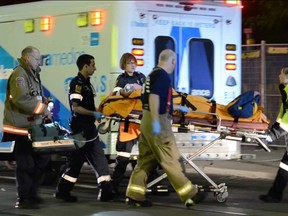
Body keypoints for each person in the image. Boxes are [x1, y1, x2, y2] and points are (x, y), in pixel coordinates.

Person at [125, 49, 205, 207]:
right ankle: (190, 195)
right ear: (173, 61)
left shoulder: (152, 75)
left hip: (146, 120)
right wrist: (156, 121)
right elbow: (154, 98)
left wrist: (176, 107)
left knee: (145, 160)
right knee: (170, 159)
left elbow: (156, 99)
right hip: (157, 122)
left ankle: (134, 195)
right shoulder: (162, 76)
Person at [54, 54, 114, 202]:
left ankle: (106, 190)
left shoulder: (87, 84)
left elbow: (86, 106)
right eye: (93, 65)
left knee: (99, 157)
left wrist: (97, 114)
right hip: (80, 128)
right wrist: (92, 113)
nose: (95, 68)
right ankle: (62, 190)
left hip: (89, 128)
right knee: (76, 161)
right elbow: (76, 108)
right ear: (85, 66)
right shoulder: (77, 84)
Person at [1, 46, 51, 209]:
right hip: (20, 128)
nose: (39, 62)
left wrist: (44, 104)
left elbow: (33, 96)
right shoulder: (20, 74)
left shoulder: (32, 74)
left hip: (32, 127)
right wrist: (42, 109)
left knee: (42, 160)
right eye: (37, 59)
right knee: (26, 164)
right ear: (28, 58)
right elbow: (21, 99)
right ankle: (24, 198)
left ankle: (32, 194)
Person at [111, 53, 146, 195]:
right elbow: (118, 94)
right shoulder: (121, 79)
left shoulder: (141, 76)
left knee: (145, 157)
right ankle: (114, 186)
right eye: (129, 63)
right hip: (127, 125)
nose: (132, 65)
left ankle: (153, 184)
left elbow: (146, 93)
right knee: (123, 158)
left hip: (140, 123)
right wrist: (127, 90)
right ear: (123, 65)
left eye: (134, 62)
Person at [259, 66, 288, 203]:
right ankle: (275, 195)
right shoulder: (286, 92)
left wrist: (272, 135)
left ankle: (275, 195)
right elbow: (282, 117)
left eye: (281, 74)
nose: (278, 76)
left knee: (285, 166)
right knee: (285, 167)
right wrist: (271, 131)